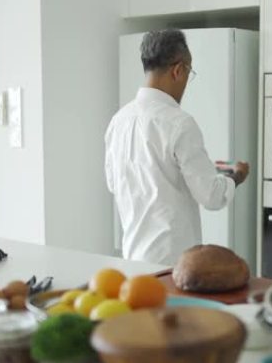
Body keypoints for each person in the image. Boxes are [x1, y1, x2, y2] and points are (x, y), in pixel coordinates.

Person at [104, 29, 249, 265]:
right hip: (172, 263)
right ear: (178, 70)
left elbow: (117, 183)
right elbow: (212, 196)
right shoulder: (179, 123)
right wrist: (236, 177)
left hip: (132, 260)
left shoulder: (118, 120)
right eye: (189, 72)